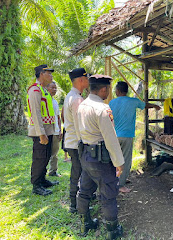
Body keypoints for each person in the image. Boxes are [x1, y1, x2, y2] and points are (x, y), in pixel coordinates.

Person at [77, 74, 124, 239]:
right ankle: (112, 231)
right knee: (108, 194)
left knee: (84, 190)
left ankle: (85, 223)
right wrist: (119, 162)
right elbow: (110, 138)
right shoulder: (102, 109)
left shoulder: (82, 105)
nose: (108, 93)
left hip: (85, 155)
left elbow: (78, 131)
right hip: (100, 159)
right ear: (104, 89)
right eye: (108, 89)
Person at [109, 81, 160, 193]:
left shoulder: (111, 103)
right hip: (127, 136)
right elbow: (145, 105)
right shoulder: (133, 101)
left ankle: (115, 180)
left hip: (114, 136)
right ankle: (120, 185)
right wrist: (155, 106)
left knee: (115, 159)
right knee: (125, 160)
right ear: (126, 91)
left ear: (117, 91)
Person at [27, 64, 59, 196]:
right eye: (49, 73)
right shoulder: (35, 90)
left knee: (45, 156)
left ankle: (42, 179)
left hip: (48, 129)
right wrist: (41, 134)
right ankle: (36, 185)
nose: (51, 76)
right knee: (39, 157)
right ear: (41, 74)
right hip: (41, 131)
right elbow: (36, 113)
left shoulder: (43, 90)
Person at [63, 68, 89, 213]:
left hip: (72, 142)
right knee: (79, 172)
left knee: (76, 171)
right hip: (77, 143)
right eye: (86, 78)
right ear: (81, 80)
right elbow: (80, 125)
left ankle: (75, 202)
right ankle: (75, 204)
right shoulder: (77, 99)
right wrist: (84, 143)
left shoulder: (71, 96)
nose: (88, 81)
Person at [46, 82, 62, 177]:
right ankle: (43, 172)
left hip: (55, 131)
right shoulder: (44, 101)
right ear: (47, 88)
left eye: (55, 88)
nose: (54, 90)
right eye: (52, 88)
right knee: (46, 153)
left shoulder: (55, 102)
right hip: (47, 131)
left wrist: (60, 130)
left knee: (54, 153)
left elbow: (58, 117)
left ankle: (53, 171)